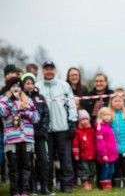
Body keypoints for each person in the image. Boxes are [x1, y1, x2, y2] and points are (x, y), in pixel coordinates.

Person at [36, 60, 78, 193]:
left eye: (51, 69)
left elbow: (71, 105)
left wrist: (72, 122)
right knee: (46, 160)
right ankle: (47, 185)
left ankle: (67, 185)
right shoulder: (38, 87)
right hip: (45, 131)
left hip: (63, 128)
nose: (49, 71)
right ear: (43, 71)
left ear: (55, 70)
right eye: (46, 69)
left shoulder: (64, 86)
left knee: (65, 159)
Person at [0, 77, 40, 196]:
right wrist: (11, 100)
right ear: (9, 88)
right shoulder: (3, 100)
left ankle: (24, 191)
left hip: (26, 138)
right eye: (13, 86)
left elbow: (36, 118)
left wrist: (26, 113)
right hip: (11, 139)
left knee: (26, 166)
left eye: (18, 86)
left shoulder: (27, 100)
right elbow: (1, 113)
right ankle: (15, 191)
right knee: (14, 167)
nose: (16, 89)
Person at [21, 73, 54, 195]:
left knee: (43, 161)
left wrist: (43, 129)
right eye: (27, 83)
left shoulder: (40, 97)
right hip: (27, 136)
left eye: (31, 83)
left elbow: (46, 114)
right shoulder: (20, 98)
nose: (29, 86)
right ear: (23, 85)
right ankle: (32, 187)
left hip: (41, 136)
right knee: (28, 162)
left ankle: (44, 187)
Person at [0, 64, 18, 186]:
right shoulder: (2, 91)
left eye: (12, 73)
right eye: (8, 74)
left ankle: (16, 185)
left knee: (16, 160)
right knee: (3, 156)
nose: (10, 75)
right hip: (3, 129)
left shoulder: (20, 89)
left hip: (18, 130)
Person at [94, 107, 118, 190]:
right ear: (101, 116)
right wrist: (103, 154)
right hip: (105, 155)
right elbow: (100, 143)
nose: (107, 117)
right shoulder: (100, 128)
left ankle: (109, 184)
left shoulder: (109, 127)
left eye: (109, 115)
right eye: (105, 115)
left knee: (112, 170)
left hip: (112, 154)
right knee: (105, 170)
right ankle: (104, 185)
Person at [72, 109, 96, 190]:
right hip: (83, 155)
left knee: (92, 169)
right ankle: (85, 182)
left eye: (86, 119)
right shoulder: (78, 132)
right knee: (84, 169)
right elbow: (75, 144)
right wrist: (76, 154)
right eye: (82, 119)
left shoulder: (92, 131)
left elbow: (95, 142)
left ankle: (90, 181)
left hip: (92, 154)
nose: (85, 121)